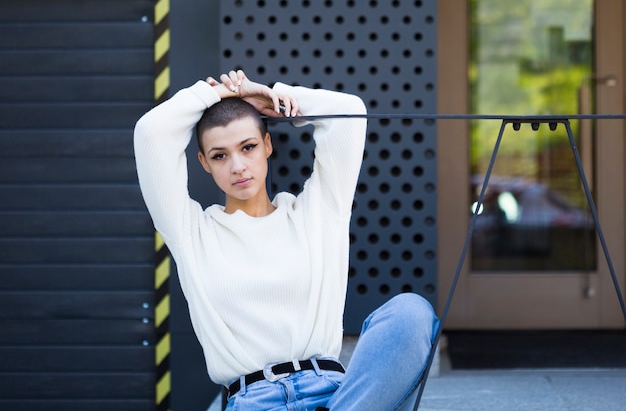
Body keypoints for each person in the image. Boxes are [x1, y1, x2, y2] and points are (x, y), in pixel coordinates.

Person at [134, 69, 439, 411]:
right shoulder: (192, 233)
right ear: (204, 163)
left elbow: (349, 115)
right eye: (220, 155)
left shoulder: (318, 213)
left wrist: (273, 96)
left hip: (336, 395)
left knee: (411, 312)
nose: (237, 166)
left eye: (247, 147)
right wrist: (213, 94)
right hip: (255, 401)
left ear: (267, 145)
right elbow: (151, 133)